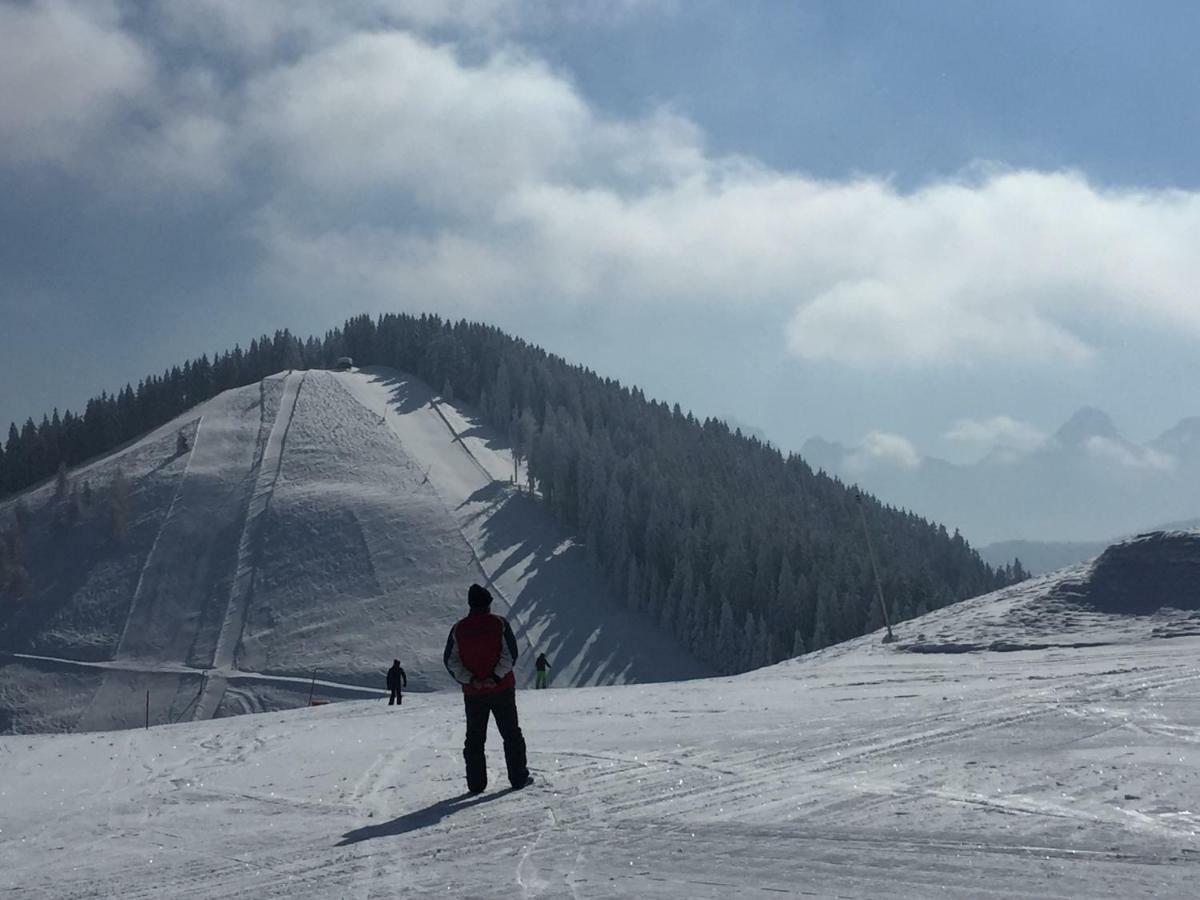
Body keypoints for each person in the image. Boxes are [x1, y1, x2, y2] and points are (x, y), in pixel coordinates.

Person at [443, 584, 532, 794]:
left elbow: (451, 661)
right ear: (488, 603)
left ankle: (476, 784)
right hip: (502, 689)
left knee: (474, 738)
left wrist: (472, 680)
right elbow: (510, 655)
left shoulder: (459, 629)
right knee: (511, 734)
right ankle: (518, 777)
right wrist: (495, 677)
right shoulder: (499, 623)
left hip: (474, 693)